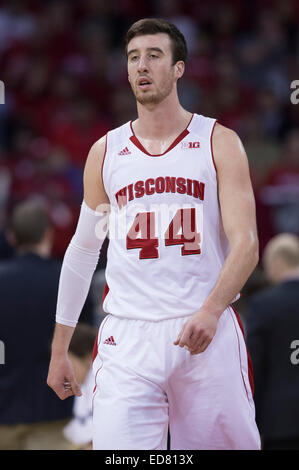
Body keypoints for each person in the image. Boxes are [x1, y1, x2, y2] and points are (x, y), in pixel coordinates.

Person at [47, 18, 261, 450]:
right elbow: (85, 250)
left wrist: (212, 309)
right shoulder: (106, 152)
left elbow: (248, 244)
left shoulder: (218, 141)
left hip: (204, 329)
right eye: (133, 58)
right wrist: (59, 349)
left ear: (179, 68)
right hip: (128, 335)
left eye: (154, 55)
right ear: (126, 72)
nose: (141, 65)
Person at [0, 200, 74, 450]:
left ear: (11, 236)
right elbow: (81, 344)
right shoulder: (66, 281)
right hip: (53, 409)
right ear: (48, 234)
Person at [246, 233, 299, 450]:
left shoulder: (264, 305)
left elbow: (254, 367)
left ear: (277, 263)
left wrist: (253, 422)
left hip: (279, 421)